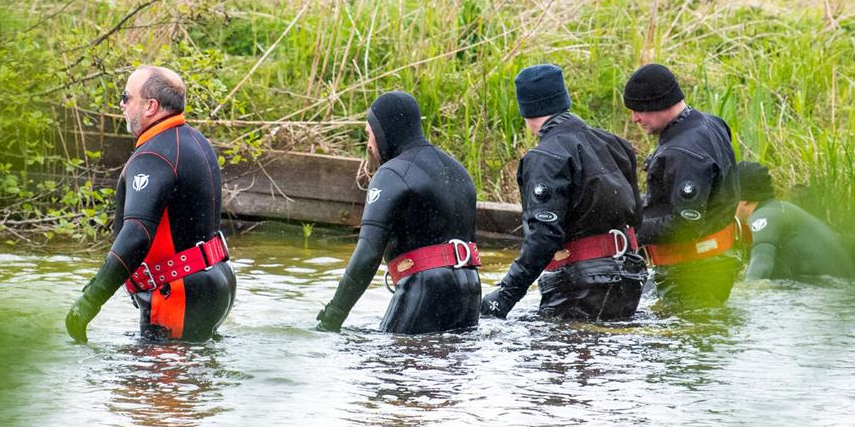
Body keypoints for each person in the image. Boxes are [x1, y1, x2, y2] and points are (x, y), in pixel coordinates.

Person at [65, 66, 236, 343]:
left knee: (152, 385)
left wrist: (89, 301)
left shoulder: (154, 156)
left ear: (151, 106)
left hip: (179, 292)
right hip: (214, 284)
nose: (121, 104)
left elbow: (136, 234)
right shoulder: (196, 141)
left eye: (126, 97)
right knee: (190, 380)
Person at [479, 64, 647, 322]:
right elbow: (636, 218)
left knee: (557, 358)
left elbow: (543, 238)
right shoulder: (616, 144)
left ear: (526, 109)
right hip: (630, 276)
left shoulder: (545, 157)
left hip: (581, 285)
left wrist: (505, 295)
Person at [315, 90, 481, 334]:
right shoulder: (459, 171)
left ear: (384, 132)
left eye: (369, 135)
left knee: (392, 368)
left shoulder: (392, 173)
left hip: (424, 290)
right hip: (470, 293)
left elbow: (367, 254)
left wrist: (331, 318)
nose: (369, 145)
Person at [623, 63, 740, 308]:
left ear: (658, 103)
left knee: (679, 339)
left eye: (638, 110)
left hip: (692, 272)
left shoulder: (683, 153)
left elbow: (685, 224)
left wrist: (629, 232)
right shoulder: (711, 123)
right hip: (714, 261)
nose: (634, 119)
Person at [736, 161, 855, 280]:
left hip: (824, 289)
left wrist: (745, 291)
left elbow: (761, 263)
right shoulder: (779, 210)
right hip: (837, 287)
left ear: (744, 199)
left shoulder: (763, 216)